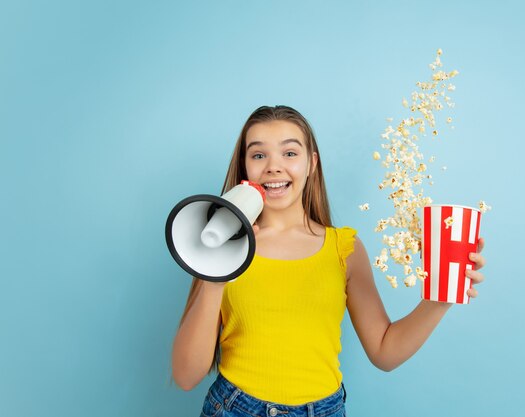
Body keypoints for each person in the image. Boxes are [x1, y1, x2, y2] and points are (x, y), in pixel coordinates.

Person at [171, 105, 487, 417]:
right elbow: (186, 376)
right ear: (245, 168)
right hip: (234, 408)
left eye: (290, 153)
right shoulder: (219, 244)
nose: (273, 166)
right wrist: (216, 273)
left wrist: (440, 301)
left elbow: (385, 352)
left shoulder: (343, 249)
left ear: (311, 163)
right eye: (258, 155)